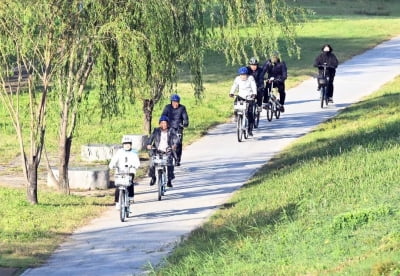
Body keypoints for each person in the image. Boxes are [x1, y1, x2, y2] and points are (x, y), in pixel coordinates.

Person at [146, 115, 180, 187]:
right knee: (152, 162)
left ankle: (169, 180)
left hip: (168, 151)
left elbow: (176, 139)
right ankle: (153, 177)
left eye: (165, 123)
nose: (164, 125)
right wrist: (149, 144)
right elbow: (150, 139)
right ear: (160, 124)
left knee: (170, 163)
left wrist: (174, 145)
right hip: (157, 151)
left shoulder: (171, 130)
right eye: (162, 123)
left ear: (168, 124)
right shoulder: (156, 131)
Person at [109, 136, 140, 209]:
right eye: (125, 144)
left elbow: (137, 163)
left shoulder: (134, 153)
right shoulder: (119, 152)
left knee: (130, 183)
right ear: (122, 145)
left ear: (131, 145)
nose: (127, 146)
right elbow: (114, 160)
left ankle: (130, 196)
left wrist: (135, 166)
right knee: (118, 186)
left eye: (128, 144)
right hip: (120, 171)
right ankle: (117, 202)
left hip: (130, 171)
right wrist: (111, 165)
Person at [161, 94, 189, 166]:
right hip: (169, 128)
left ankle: (177, 159)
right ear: (171, 102)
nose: (175, 104)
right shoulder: (167, 107)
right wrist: (163, 123)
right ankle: (169, 158)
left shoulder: (182, 108)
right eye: (174, 102)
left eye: (177, 102)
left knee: (178, 144)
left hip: (178, 128)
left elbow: (185, 117)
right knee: (167, 143)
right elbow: (163, 116)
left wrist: (185, 123)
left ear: (179, 102)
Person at [229, 66, 257, 136]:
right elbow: (234, 86)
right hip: (241, 96)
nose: (243, 76)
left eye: (244, 75)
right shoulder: (237, 79)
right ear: (239, 75)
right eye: (242, 75)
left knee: (250, 113)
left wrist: (254, 94)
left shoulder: (250, 78)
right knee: (236, 104)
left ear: (247, 74)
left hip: (249, 97)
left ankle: (250, 130)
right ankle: (236, 115)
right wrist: (231, 93)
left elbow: (254, 86)